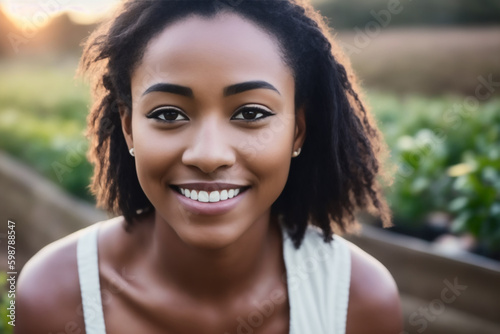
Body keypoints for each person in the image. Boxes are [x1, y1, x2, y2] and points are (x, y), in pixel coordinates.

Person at [16, 0, 403, 333]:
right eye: (168, 114)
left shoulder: (357, 302)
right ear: (128, 128)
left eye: (251, 113)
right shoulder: (53, 296)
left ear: (297, 132)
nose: (208, 154)